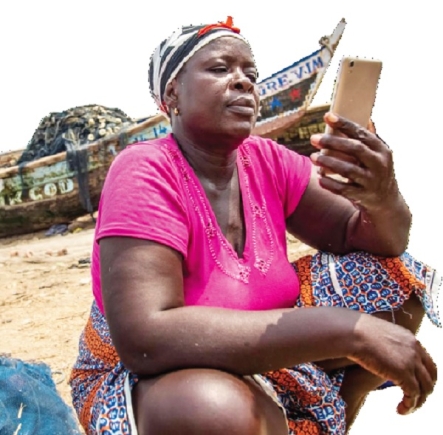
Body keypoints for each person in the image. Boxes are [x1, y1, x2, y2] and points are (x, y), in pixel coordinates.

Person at [69, 17, 440, 435]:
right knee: (214, 410)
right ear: (173, 92)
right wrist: (350, 333)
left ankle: (332, 416)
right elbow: (146, 340)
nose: (244, 82)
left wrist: (381, 195)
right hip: (145, 374)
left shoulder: (267, 159)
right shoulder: (144, 170)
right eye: (220, 69)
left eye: (251, 74)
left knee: (397, 280)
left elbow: (376, 240)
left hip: (255, 350)